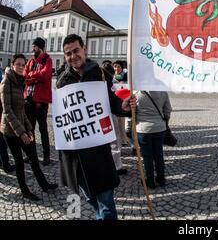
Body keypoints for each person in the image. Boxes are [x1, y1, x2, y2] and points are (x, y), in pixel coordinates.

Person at [56, 34, 136, 220]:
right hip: (75, 155)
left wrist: (122, 106)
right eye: (68, 53)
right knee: (90, 198)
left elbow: (110, 100)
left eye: (76, 50)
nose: (73, 56)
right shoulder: (62, 80)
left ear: (84, 49)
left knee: (106, 204)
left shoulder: (100, 74)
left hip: (98, 150)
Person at [0, 54, 58, 201]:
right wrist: (21, 133)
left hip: (21, 127)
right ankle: (25, 190)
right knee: (19, 162)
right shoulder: (6, 82)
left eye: (22, 64)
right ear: (12, 65)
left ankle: (44, 185)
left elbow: (21, 110)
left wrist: (29, 129)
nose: (20, 67)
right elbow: (7, 111)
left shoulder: (20, 81)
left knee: (33, 157)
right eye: (18, 64)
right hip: (10, 130)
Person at [23, 37, 53, 165]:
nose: (32, 48)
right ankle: (31, 155)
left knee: (42, 129)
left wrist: (31, 76)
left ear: (40, 47)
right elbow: (24, 76)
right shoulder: (30, 61)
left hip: (41, 101)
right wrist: (33, 77)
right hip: (29, 100)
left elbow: (45, 75)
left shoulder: (47, 59)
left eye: (34, 46)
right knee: (30, 128)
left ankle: (46, 156)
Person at [135, 90, 172, 189]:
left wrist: (128, 129)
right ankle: (161, 179)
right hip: (159, 128)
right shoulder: (163, 92)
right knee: (159, 154)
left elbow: (131, 114)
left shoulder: (136, 93)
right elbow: (168, 110)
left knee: (147, 157)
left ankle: (150, 181)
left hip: (143, 129)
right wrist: (164, 122)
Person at [101, 61, 128, 176]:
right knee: (115, 140)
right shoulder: (107, 81)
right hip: (109, 113)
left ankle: (107, 163)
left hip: (100, 114)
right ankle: (117, 167)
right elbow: (112, 97)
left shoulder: (99, 79)